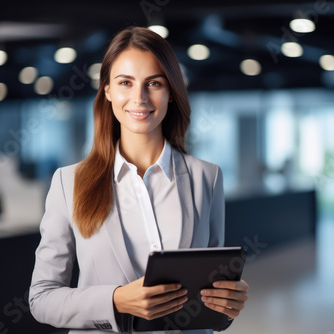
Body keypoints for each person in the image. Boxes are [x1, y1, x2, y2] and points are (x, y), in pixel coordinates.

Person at [29, 26, 249, 334]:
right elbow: (42, 298)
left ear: (171, 91)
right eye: (125, 83)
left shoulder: (206, 177)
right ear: (106, 90)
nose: (139, 98)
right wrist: (116, 300)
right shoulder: (69, 183)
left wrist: (226, 308)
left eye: (154, 83)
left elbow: (210, 297)